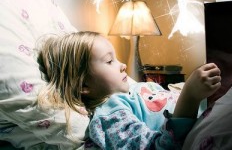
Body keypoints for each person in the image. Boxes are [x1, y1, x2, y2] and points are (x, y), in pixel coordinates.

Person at [37, 31, 221, 149]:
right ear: (84, 85)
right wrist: (190, 95)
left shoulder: (141, 88)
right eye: (109, 61)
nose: (123, 65)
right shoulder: (110, 116)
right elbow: (158, 147)